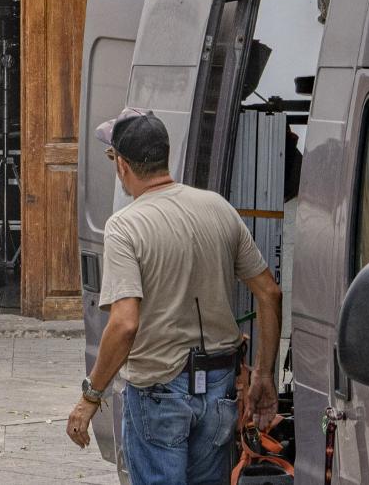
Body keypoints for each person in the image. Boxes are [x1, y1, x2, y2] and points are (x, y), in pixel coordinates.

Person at [66, 108, 283, 485]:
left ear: (123, 166)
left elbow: (124, 323)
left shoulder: (125, 226)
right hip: (218, 388)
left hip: (158, 391)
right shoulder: (218, 208)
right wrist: (264, 374)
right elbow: (270, 292)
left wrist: (90, 396)